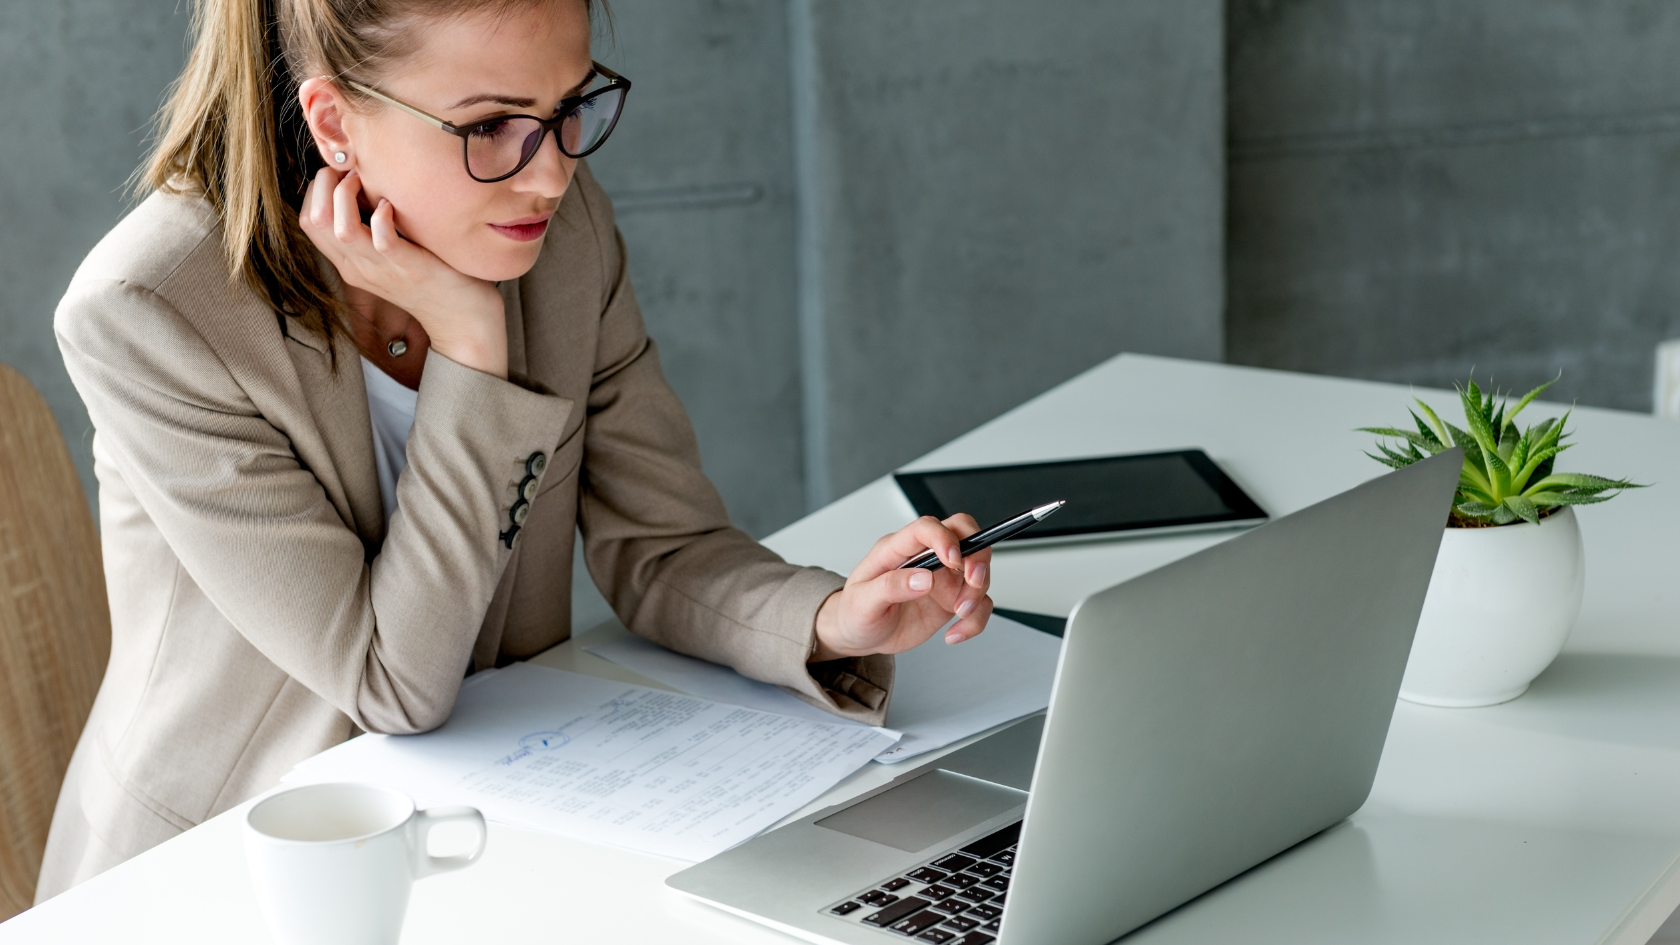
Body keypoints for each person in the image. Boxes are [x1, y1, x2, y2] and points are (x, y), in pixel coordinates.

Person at [36, 0, 994, 900]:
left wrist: (830, 619)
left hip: (495, 825)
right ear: (333, 121)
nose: (551, 172)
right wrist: (469, 342)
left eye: (568, 106)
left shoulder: (561, 235)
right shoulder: (151, 309)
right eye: (490, 124)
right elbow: (389, 680)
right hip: (231, 869)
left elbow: (663, 544)